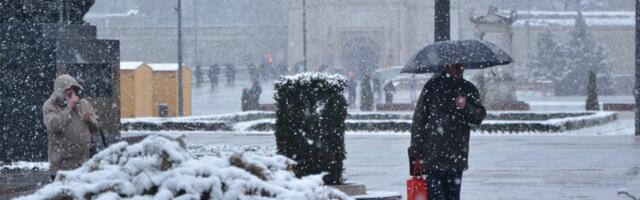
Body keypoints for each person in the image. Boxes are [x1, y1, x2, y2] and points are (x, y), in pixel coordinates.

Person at [408, 64, 486, 200]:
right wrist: (415, 149)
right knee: (436, 196)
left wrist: (466, 106)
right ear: (447, 66)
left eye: (461, 67)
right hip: (433, 156)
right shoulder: (432, 87)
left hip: (456, 156)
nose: (460, 69)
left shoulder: (468, 88)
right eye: (456, 66)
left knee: (453, 196)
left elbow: (478, 117)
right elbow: (419, 119)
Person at [43, 74, 101, 181]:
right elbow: (54, 126)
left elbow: (96, 128)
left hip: (83, 164)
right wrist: (69, 107)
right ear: (59, 91)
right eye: (68, 90)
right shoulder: (50, 106)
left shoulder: (83, 104)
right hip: (62, 167)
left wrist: (90, 121)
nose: (72, 93)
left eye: (74, 90)